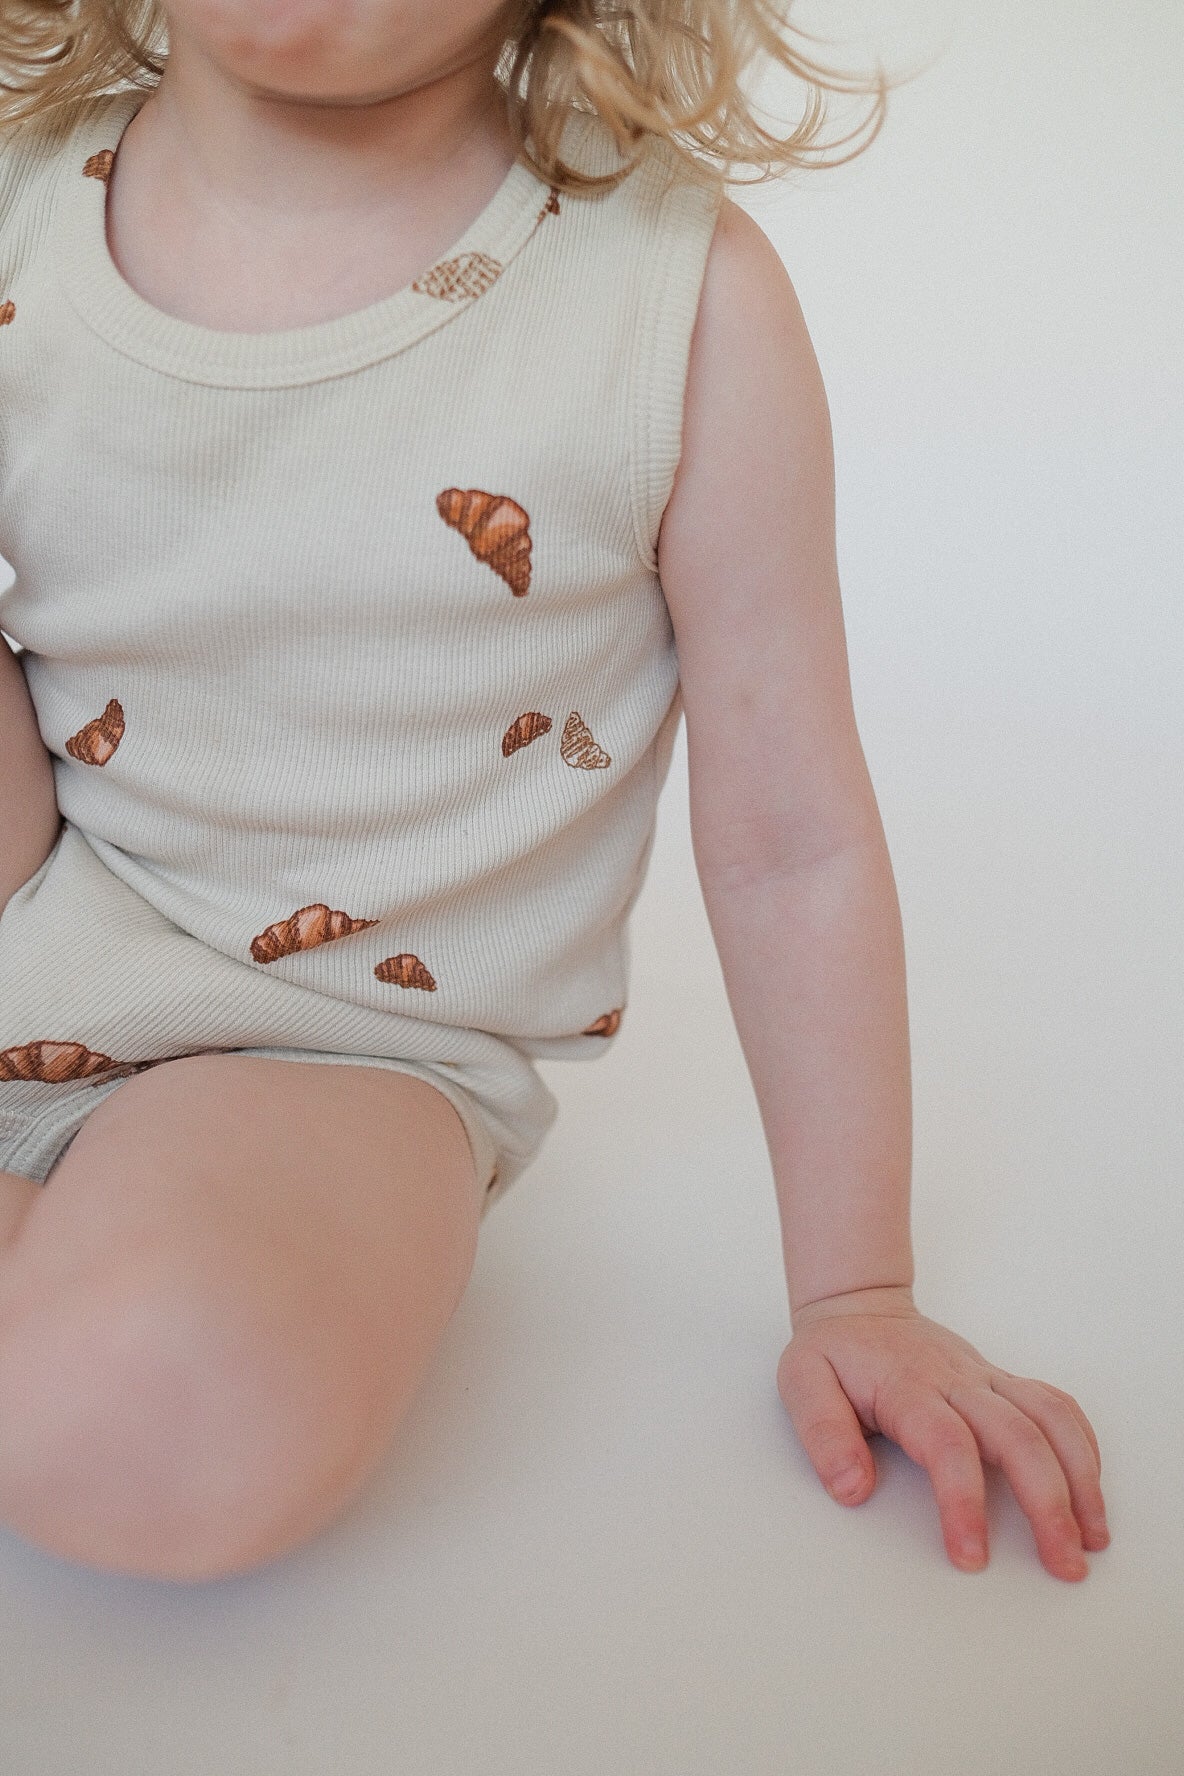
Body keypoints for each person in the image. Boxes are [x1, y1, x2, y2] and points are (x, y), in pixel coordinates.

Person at [0, 0, 1108, 1586]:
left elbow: (791, 841)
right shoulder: (25, 190)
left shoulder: (668, 304)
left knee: (149, 1416)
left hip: (333, 1042)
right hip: (37, 876)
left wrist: (857, 1291)